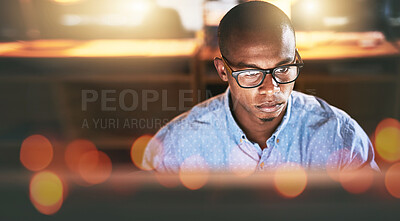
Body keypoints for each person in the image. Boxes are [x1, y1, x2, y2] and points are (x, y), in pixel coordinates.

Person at [142, 1, 379, 174]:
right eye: (251, 73)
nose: (271, 88)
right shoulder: (177, 146)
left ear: (295, 59)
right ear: (223, 70)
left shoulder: (340, 136)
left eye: (283, 69)